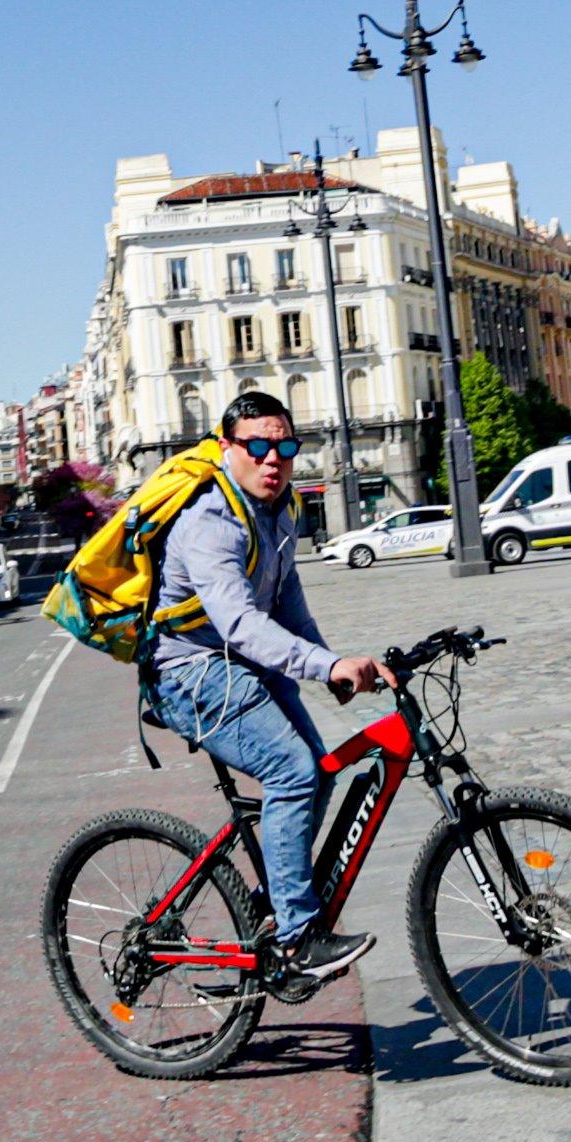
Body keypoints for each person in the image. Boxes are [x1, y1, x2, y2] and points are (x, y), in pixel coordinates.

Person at [148, 389, 396, 992]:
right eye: (257, 446)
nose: (272, 459)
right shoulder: (210, 517)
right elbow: (238, 623)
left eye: (284, 446)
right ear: (227, 447)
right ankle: (297, 937)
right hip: (189, 670)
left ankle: (270, 907)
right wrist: (323, 666)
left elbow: (290, 611)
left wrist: (334, 663)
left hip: (240, 663)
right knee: (293, 772)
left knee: (322, 767)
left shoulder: (280, 510)